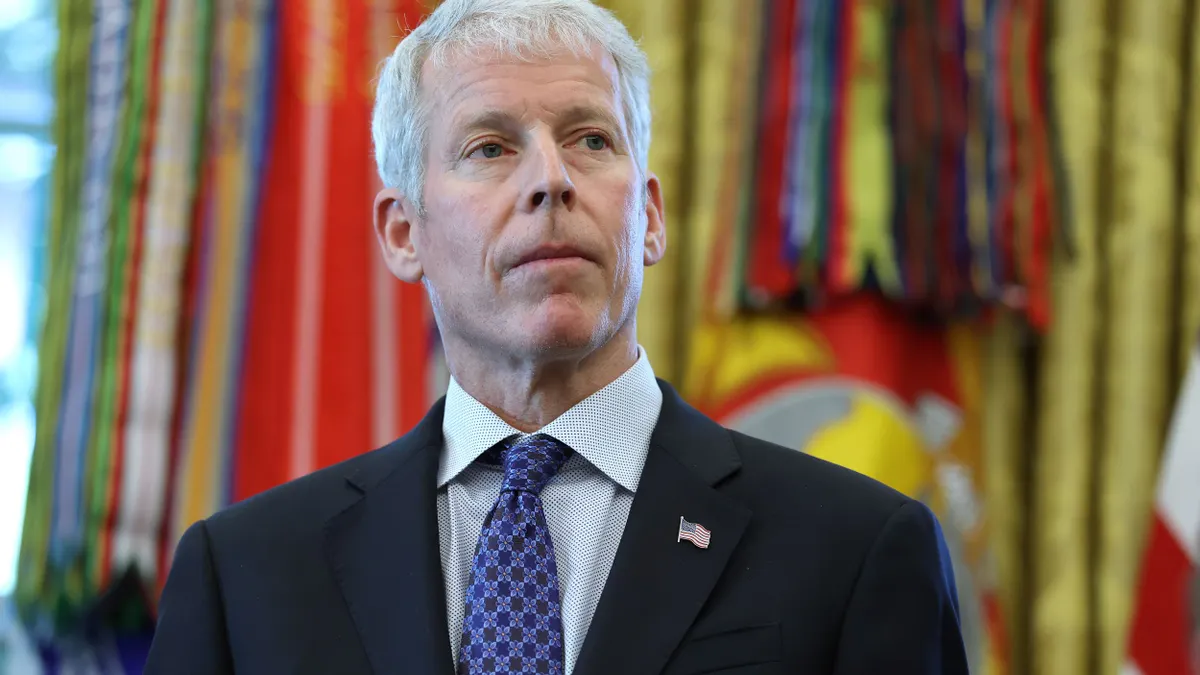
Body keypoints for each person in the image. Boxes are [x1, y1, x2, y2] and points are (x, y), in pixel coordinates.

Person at [145, 0, 969, 672]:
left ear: (647, 216)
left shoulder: (857, 549)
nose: (551, 180)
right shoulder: (245, 574)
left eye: (590, 139)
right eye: (491, 147)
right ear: (404, 233)